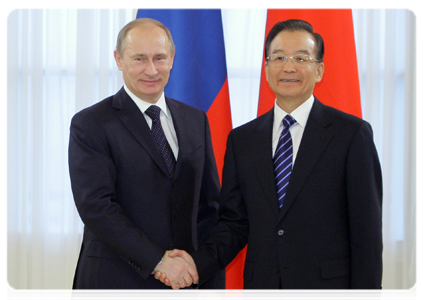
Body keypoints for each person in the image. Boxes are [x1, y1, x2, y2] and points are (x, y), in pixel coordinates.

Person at [156, 19, 383, 299]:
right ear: (266, 69)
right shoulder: (242, 140)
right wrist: (196, 264)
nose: (289, 67)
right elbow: (234, 224)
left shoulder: (351, 134)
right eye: (279, 58)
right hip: (262, 290)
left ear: (319, 69)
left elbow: (367, 236)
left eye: (301, 58)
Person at [68, 18, 224, 300]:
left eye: (159, 58)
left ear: (172, 59)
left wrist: (211, 283)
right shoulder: (91, 123)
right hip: (114, 286)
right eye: (139, 58)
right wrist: (159, 261)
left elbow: (209, 208)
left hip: (184, 288)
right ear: (119, 59)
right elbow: (97, 208)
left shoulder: (195, 120)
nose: (151, 70)